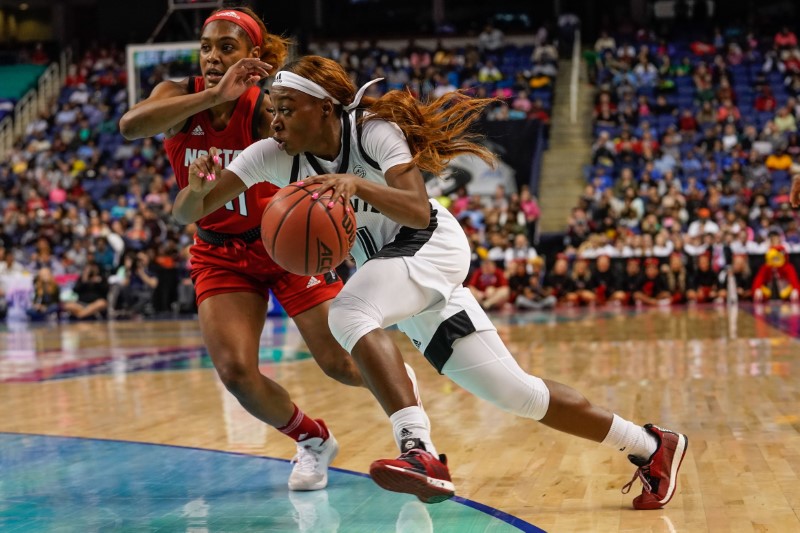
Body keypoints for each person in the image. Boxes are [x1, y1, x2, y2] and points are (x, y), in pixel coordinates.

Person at [175, 54, 688, 509]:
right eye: (272, 108)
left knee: (348, 311)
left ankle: (417, 450)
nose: (275, 119)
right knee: (518, 395)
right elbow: (190, 212)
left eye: (287, 108)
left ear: (324, 108)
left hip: (431, 244)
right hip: (397, 273)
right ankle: (650, 445)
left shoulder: (373, 131)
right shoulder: (272, 154)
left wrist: (355, 184)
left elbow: (417, 208)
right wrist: (195, 193)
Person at [119, 7, 428, 492]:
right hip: (218, 251)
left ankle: (406, 411)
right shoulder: (178, 95)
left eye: (227, 48)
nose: (213, 57)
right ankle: (312, 439)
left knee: (341, 361)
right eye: (206, 47)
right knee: (237, 373)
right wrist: (213, 95)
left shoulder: (267, 108)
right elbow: (131, 126)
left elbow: (319, 138)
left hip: (286, 246)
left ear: (253, 57)